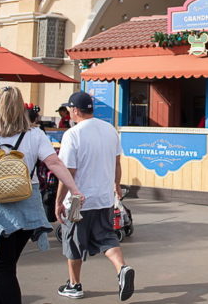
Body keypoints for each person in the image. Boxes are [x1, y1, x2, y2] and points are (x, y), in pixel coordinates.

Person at [0, 86, 84, 304]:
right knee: (8, 264)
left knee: (2, 267)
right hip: (28, 207)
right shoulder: (35, 134)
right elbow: (54, 163)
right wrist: (75, 190)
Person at [55, 91, 134, 301]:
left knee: (73, 241)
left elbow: (67, 172)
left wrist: (58, 201)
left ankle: (74, 284)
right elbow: (117, 162)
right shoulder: (109, 130)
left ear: (74, 110)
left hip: (76, 200)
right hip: (104, 197)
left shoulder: (72, 134)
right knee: (107, 237)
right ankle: (122, 268)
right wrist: (117, 186)